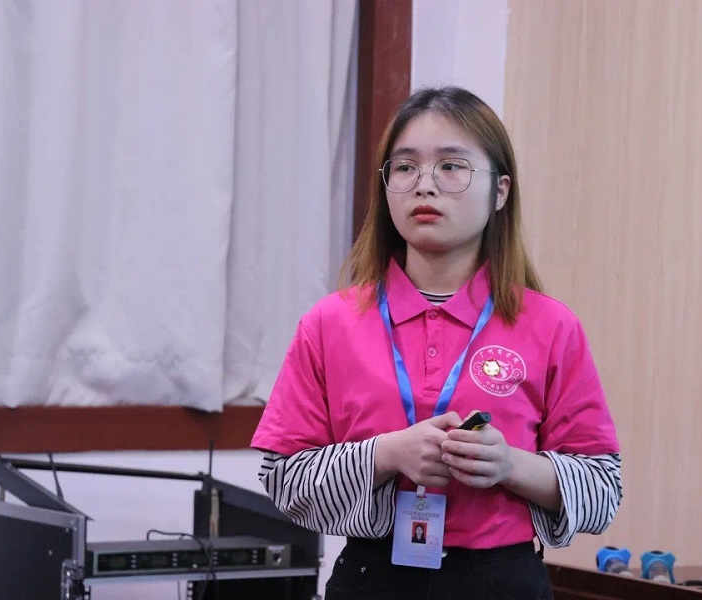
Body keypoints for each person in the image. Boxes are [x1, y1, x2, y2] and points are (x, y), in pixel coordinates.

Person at [252, 86, 622, 600]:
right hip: (372, 578)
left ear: (500, 191)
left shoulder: (551, 325)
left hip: (502, 582)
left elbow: (603, 491)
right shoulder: (330, 323)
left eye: (451, 166)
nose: (424, 184)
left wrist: (509, 465)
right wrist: (386, 454)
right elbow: (283, 479)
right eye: (405, 167)